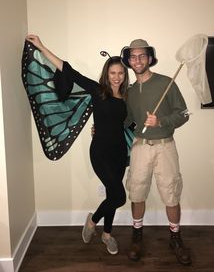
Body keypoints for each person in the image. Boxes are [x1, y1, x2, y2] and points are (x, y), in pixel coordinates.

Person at [26, 35, 129, 255]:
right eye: (113, 73)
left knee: (113, 193)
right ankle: (92, 222)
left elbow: (127, 124)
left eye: (120, 73)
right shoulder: (97, 91)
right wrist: (41, 46)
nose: (117, 77)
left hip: (120, 152)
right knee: (119, 197)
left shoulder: (127, 97)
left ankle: (107, 234)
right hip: (100, 152)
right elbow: (68, 70)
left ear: (124, 74)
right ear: (106, 74)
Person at [121, 39, 192, 265]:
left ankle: (175, 238)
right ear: (128, 61)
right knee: (137, 192)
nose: (137, 60)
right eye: (133, 56)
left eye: (142, 56)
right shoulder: (130, 91)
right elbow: (130, 121)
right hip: (140, 146)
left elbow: (183, 114)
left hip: (165, 146)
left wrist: (160, 121)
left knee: (171, 193)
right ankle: (137, 236)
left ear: (150, 58)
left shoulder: (166, 83)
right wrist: (107, 127)